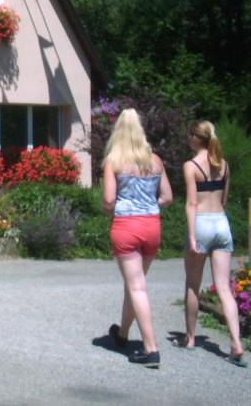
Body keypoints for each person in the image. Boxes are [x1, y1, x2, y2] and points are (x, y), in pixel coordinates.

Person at [102, 108, 173, 368]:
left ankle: (150, 349)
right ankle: (122, 335)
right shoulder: (154, 161)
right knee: (135, 284)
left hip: (126, 227)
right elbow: (167, 197)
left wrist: (113, 208)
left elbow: (109, 200)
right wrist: (148, 204)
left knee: (137, 287)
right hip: (151, 226)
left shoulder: (114, 161)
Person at [175, 120, 246, 366]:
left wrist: (192, 236)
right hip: (221, 223)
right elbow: (224, 199)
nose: (188, 138)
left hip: (202, 223)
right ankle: (236, 342)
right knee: (224, 288)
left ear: (197, 139)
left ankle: (190, 338)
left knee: (193, 284)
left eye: (190, 135)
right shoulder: (223, 164)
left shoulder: (191, 166)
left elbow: (191, 203)